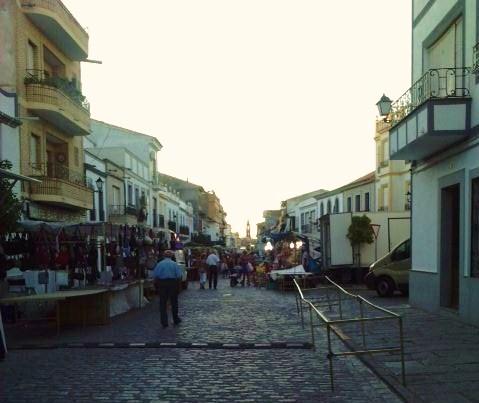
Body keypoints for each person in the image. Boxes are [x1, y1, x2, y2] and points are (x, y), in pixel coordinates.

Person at [153, 250, 183, 328]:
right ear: (172, 256)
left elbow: (155, 275)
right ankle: (175, 319)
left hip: (162, 283)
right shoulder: (174, 264)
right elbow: (179, 276)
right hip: (172, 283)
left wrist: (156, 285)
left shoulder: (160, 264)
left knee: (162, 303)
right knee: (174, 302)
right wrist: (179, 286)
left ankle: (164, 322)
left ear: (164, 256)